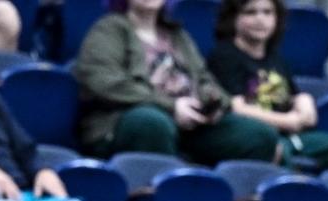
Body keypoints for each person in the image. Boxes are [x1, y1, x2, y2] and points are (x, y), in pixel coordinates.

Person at [73, 0, 281, 162]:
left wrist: (212, 103)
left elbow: (204, 78)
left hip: (190, 126)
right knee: (152, 122)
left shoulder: (177, 35)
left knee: (260, 135)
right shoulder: (108, 29)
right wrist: (171, 106)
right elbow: (105, 83)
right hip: (128, 122)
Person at [207, 0, 328, 172]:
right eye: (251, 12)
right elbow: (236, 108)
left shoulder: (276, 58)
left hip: (293, 138)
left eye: (267, 12)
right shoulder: (224, 56)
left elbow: (293, 95)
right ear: (233, 18)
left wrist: (305, 102)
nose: (260, 19)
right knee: (274, 148)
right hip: (256, 139)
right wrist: (289, 122)